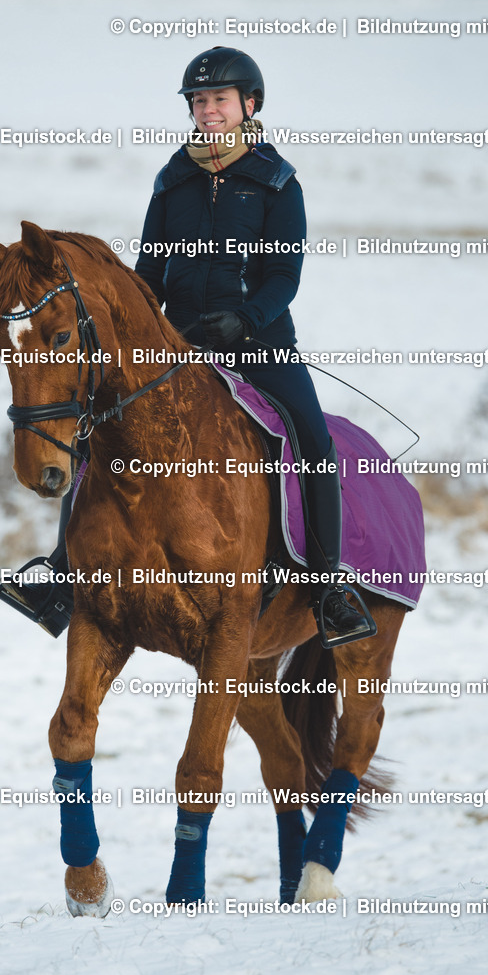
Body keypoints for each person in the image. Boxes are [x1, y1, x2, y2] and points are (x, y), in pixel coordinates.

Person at [135, 46, 374, 645]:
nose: (207, 110)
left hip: (259, 344)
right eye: (198, 101)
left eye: (218, 99)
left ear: (249, 105)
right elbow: (150, 270)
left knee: (313, 438)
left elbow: (284, 277)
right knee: (103, 420)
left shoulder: (276, 182)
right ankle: (64, 569)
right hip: (183, 346)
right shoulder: (173, 181)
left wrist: (246, 320)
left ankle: (327, 588)